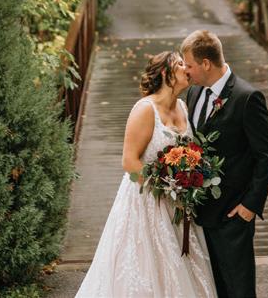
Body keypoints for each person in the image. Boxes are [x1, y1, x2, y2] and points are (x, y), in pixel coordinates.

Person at [75, 51, 218, 297]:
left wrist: (185, 184)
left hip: (178, 203)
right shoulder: (144, 109)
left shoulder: (183, 107)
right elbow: (129, 163)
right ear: (165, 73)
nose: (186, 68)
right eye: (180, 64)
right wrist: (165, 186)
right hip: (146, 200)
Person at [181, 30, 268, 298]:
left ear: (206, 64)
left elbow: (267, 154)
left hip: (233, 214)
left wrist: (250, 206)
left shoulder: (247, 97)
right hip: (200, 213)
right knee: (213, 289)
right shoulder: (193, 93)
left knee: (239, 289)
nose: (185, 71)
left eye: (188, 65)